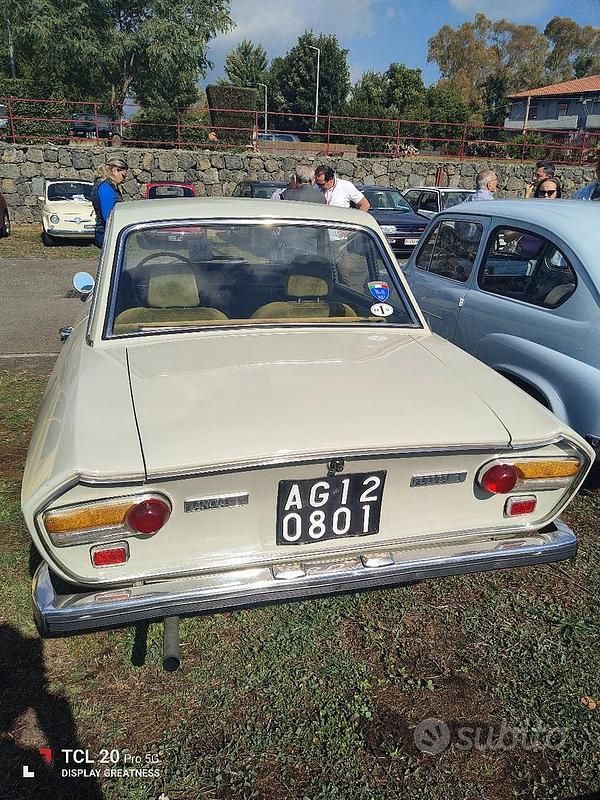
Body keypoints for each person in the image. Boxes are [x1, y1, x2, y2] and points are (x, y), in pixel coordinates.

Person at [91, 156, 128, 247]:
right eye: (123, 175)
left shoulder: (107, 186)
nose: (124, 179)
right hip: (106, 233)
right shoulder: (105, 188)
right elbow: (108, 216)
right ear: (115, 170)